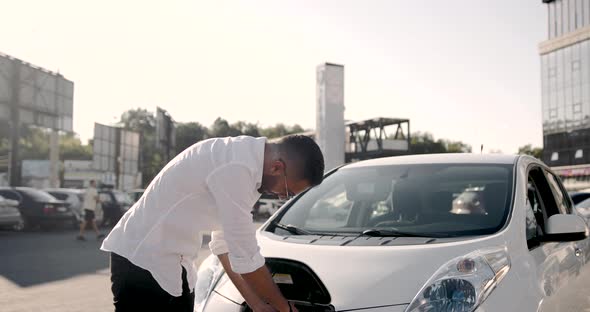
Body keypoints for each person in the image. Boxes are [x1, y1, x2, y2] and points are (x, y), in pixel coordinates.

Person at [101, 135, 325, 312]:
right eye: (286, 192)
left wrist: (257, 304)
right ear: (277, 167)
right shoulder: (236, 167)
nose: (280, 197)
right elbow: (246, 258)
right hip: (140, 264)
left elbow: (224, 245)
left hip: (172, 267)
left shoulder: (246, 167)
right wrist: (284, 308)